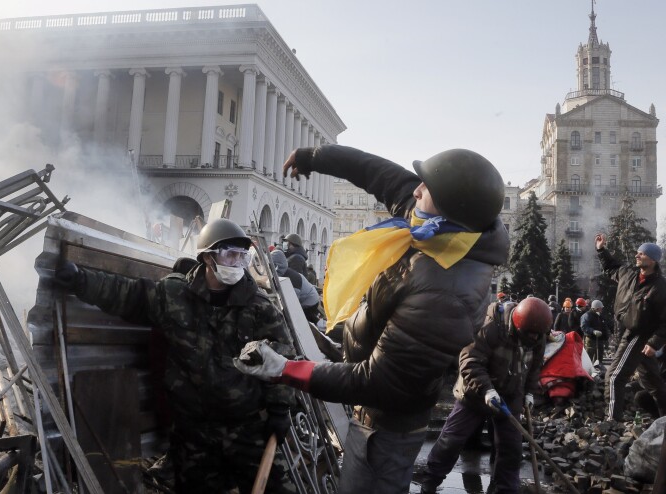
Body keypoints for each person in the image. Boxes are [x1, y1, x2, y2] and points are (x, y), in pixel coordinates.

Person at [234, 145, 509, 493]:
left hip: (386, 432)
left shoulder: (447, 296)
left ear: (451, 207)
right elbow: (380, 174)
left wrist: (287, 369)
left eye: (426, 187)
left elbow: (379, 382)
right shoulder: (440, 228)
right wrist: (316, 158)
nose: (416, 190)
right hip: (373, 414)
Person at [54, 218, 298, 493]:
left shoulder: (258, 307)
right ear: (208, 257)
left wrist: (280, 408)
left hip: (246, 429)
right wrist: (79, 279)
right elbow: (127, 295)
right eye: (230, 255)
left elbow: (283, 358)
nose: (238, 263)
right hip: (194, 434)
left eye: (243, 256)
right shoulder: (174, 296)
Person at [419, 297, 548, 494]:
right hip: (475, 393)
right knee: (452, 440)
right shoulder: (490, 326)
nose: (535, 340)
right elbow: (469, 361)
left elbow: (534, 367)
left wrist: (530, 392)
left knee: (510, 449)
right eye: (530, 336)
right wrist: (487, 390)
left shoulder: (537, 335)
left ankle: (504, 489)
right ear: (518, 325)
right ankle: (430, 481)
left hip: (510, 394)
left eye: (538, 336)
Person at [596, 234, 666, 421]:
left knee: (614, 376)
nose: (637, 256)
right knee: (653, 382)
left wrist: (654, 343)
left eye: (642, 254)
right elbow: (611, 267)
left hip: (638, 335)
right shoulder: (628, 273)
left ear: (653, 260)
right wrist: (601, 250)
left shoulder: (660, 287)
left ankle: (612, 422)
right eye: (637, 252)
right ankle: (664, 419)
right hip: (625, 330)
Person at [271, 249, 321, 324]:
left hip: (310, 302)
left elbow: (293, 303)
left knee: (301, 322)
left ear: (275, 265)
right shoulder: (284, 273)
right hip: (308, 298)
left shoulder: (292, 277)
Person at [580, 299, 612, 363]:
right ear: (596, 308)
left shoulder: (600, 316)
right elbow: (584, 326)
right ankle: (587, 367)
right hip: (591, 339)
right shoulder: (587, 315)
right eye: (600, 308)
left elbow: (604, 326)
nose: (601, 309)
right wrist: (593, 331)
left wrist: (606, 337)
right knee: (589, 355)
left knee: (599, 356)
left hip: (600, 339)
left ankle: (598, 366)